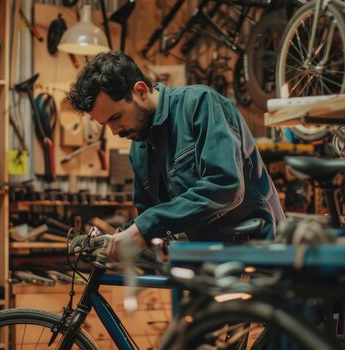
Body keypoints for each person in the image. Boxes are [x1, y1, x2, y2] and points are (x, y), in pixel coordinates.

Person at [68, 51, 285, 258]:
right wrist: (113, 240)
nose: (114, 131)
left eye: (116, 117)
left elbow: (225, 186)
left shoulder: (200, 104)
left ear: (141, 91)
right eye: (106, 124)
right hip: (204, 261)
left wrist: (143, 229)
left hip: (256, 254)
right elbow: (149, 216)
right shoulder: (139, 146)